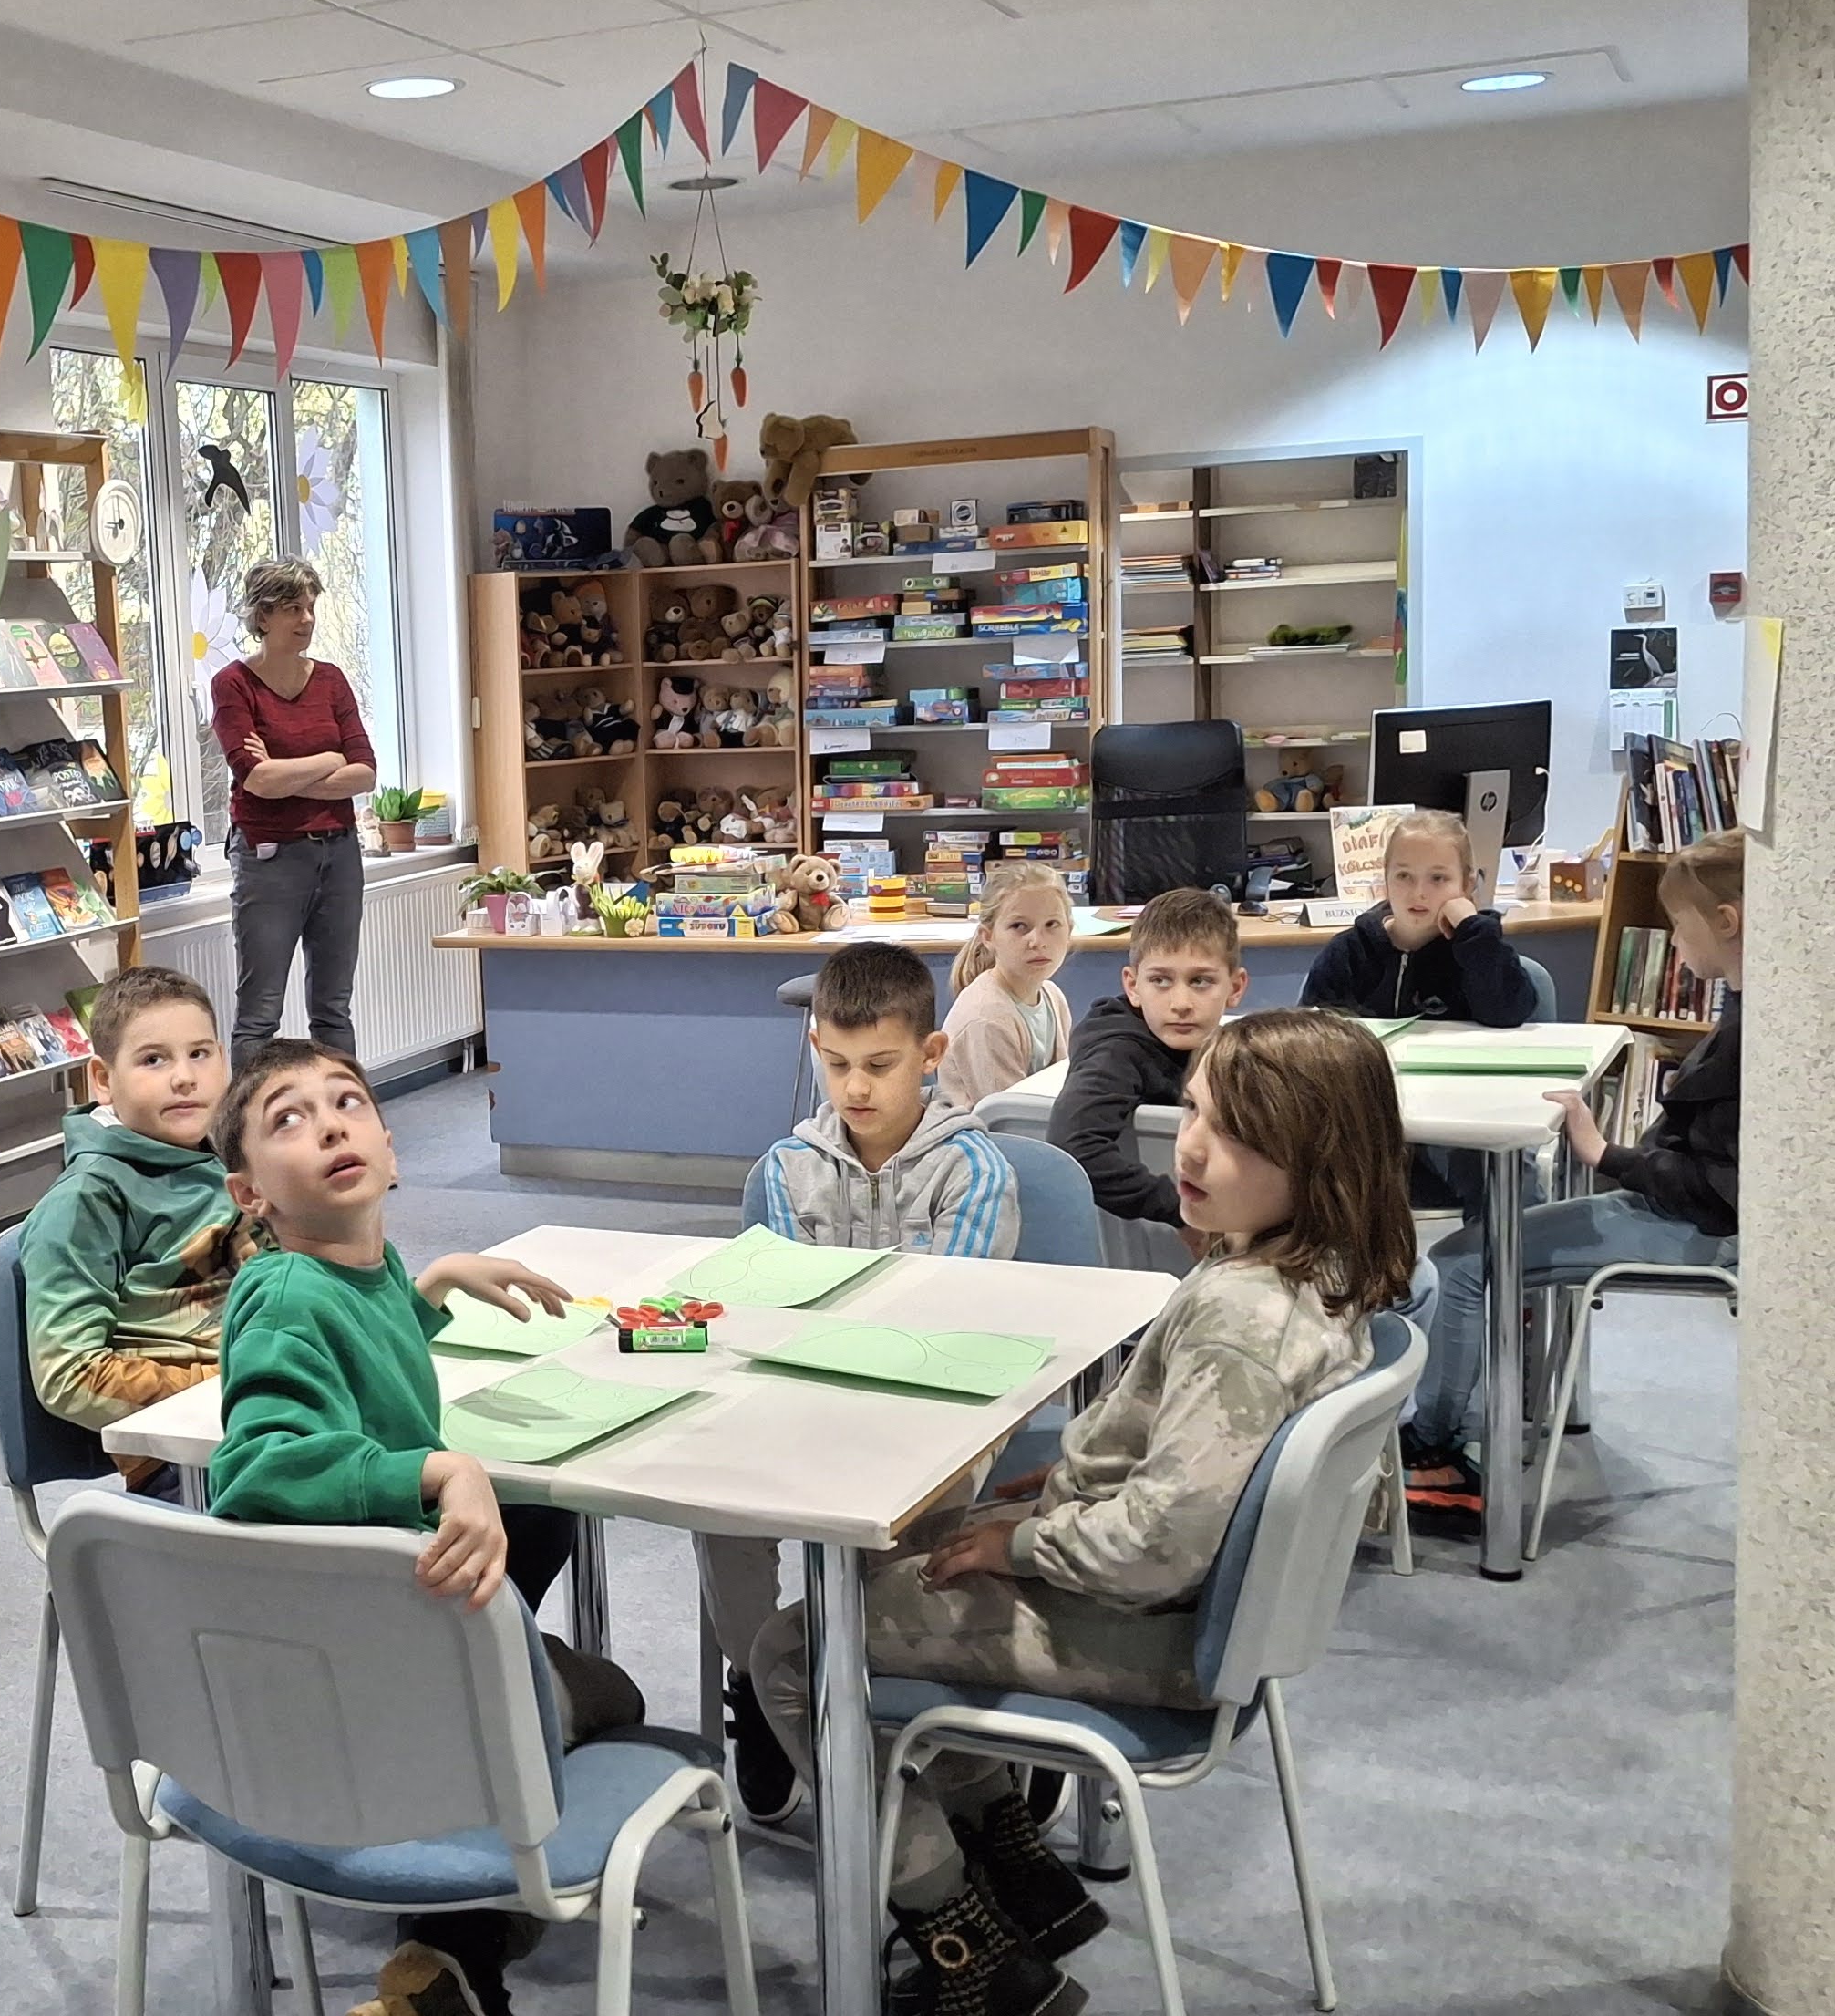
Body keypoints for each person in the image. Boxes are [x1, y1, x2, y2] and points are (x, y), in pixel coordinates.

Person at [747, 1010, 1407, 2016]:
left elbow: (1159, 1544)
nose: (1192, 1147)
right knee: (902, 1556)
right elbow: (1190, 1472)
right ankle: (1021, 1874)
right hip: (1182, 1611)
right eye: (1194, 1111)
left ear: (1320, 1160)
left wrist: (1024, 1544)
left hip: (1150, 1629)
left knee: (801, 1652)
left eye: (1236, 1136)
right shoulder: (1315, 1277)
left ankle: (968, 1951)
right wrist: (1060, 1490)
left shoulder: (1240, 1321)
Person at [203, 1039, 645, 2016]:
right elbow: (257, 1468)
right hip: (367, 1650)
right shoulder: (282, 1296)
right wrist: (442, 1468)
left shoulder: (355, 1271)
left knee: (540, 1522)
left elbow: (359, 1353)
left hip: (382, 1623)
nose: (328, 1125)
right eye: (288, 1119)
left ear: (391, 1148)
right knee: (613, 1697)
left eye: (347, 1103)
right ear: (250, 1195)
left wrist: (432, 1287)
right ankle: (456, 1943)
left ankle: (456, 1933)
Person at [713, 940, 1020, 1821]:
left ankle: (910, 1716)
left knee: (897, 1565)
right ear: (815, 1047)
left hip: (934, 1417)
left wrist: (834, 1323)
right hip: (808, 1403)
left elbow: (944, 1316)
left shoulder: (973, 1170)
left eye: (881, 1066)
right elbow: (781, 1306)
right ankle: (761, 1684)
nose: (856, 1088)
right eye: (838, 1064)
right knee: (719, 1513)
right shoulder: (788, 1167)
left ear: (931, 1055)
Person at [1406, 829, 1744, 1534]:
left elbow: (1718, 1185)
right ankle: (1498, 1407)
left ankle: (1431, 1448)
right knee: (1491, 1239)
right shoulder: (1749, 1012)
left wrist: (1605, 1154)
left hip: (1699, 1228)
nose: (1674, 942)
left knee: (1462, 1263)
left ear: (1726, 921)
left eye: (1678, 926)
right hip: (1678, 1209)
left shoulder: (1747, 1036)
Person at [19, 965, 258, 1491]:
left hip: (274, 1408)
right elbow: (67, 1376)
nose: (184, 1077)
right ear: (103, 1080)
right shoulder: (85, 1200)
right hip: (189, 1460)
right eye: (154, 1059)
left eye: (200, 1053)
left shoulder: (229, 1155)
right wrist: (234, 1389)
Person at [210, 557, 376, 1070]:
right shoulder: (233, 684)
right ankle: (252, 1118)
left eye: (310, 607)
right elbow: (256, 781)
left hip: (339, 853)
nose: (306, 619)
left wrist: (289, 773)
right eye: (292, 609)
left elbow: (365, 773)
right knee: (260, 1012)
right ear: (261, 616)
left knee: (333, 1007)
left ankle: (343, 1107)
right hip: (269, 858)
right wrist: (330, 759)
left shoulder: (331, 681)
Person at [1046, 886, 1246, 1236]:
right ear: (1133, 986)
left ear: (1235, 987)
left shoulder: (1231, 1049)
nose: (1181, 1003)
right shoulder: (1116, 1053)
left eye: (1200, 981)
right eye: (1161, 981)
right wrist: (1183, 1210)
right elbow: (1073, 1149)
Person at [1299, 809, 1541, 1027]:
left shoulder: (1479, 948)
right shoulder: (1347, 952)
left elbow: (1509, 1014)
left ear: (1467, 884)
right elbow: (1311, 1034)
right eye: (1404, 876)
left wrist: (1473, 931)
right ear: (1386, 879)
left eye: (1438, 878)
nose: (1419, 893)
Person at [935, 862, 1078, 1111]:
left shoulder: (1052, 996)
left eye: (1052, 924)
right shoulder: (987, 1018)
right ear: (988, 937)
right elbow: (1009, 1118)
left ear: (1069, 931)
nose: (1037, 941)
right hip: (987, 1134)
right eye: (1019, 926)